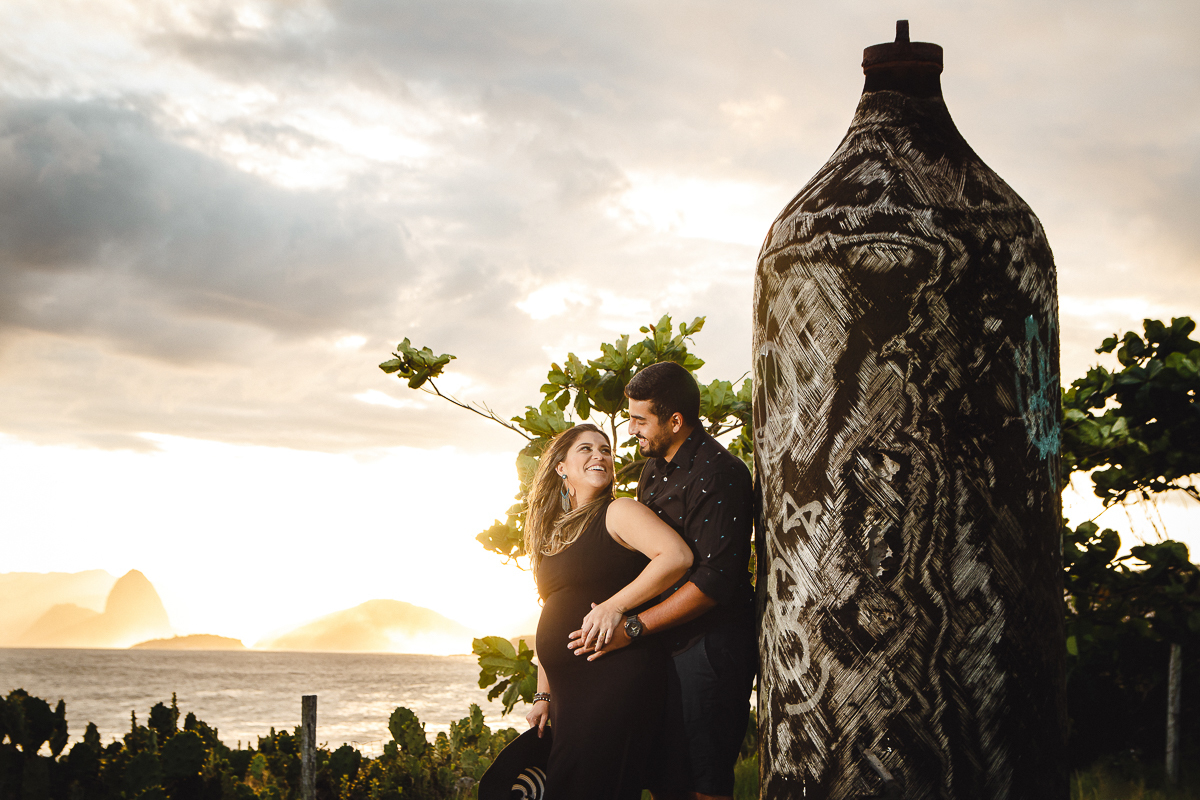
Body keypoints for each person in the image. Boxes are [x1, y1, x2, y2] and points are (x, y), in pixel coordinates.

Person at [570, 361, 757, 800]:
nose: (631, 429)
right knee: (665, 778)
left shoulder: (721, 473)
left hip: (709, 649)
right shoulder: (655, 469)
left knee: (704, 781)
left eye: (640, 419)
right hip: (661, 644)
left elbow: (715, 583)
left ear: (675, 421)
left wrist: (632, 626)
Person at [524, 422, 694, 800]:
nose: (600, 455)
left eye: (605, 450)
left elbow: (677, 557)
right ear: (561, 467)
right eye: (586, 449)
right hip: (570, 691)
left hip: (613, 675)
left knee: (598, 787)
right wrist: (543, 696)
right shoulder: (553, 533)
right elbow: (550, 610)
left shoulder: (619, 512)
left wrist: (616, 607)